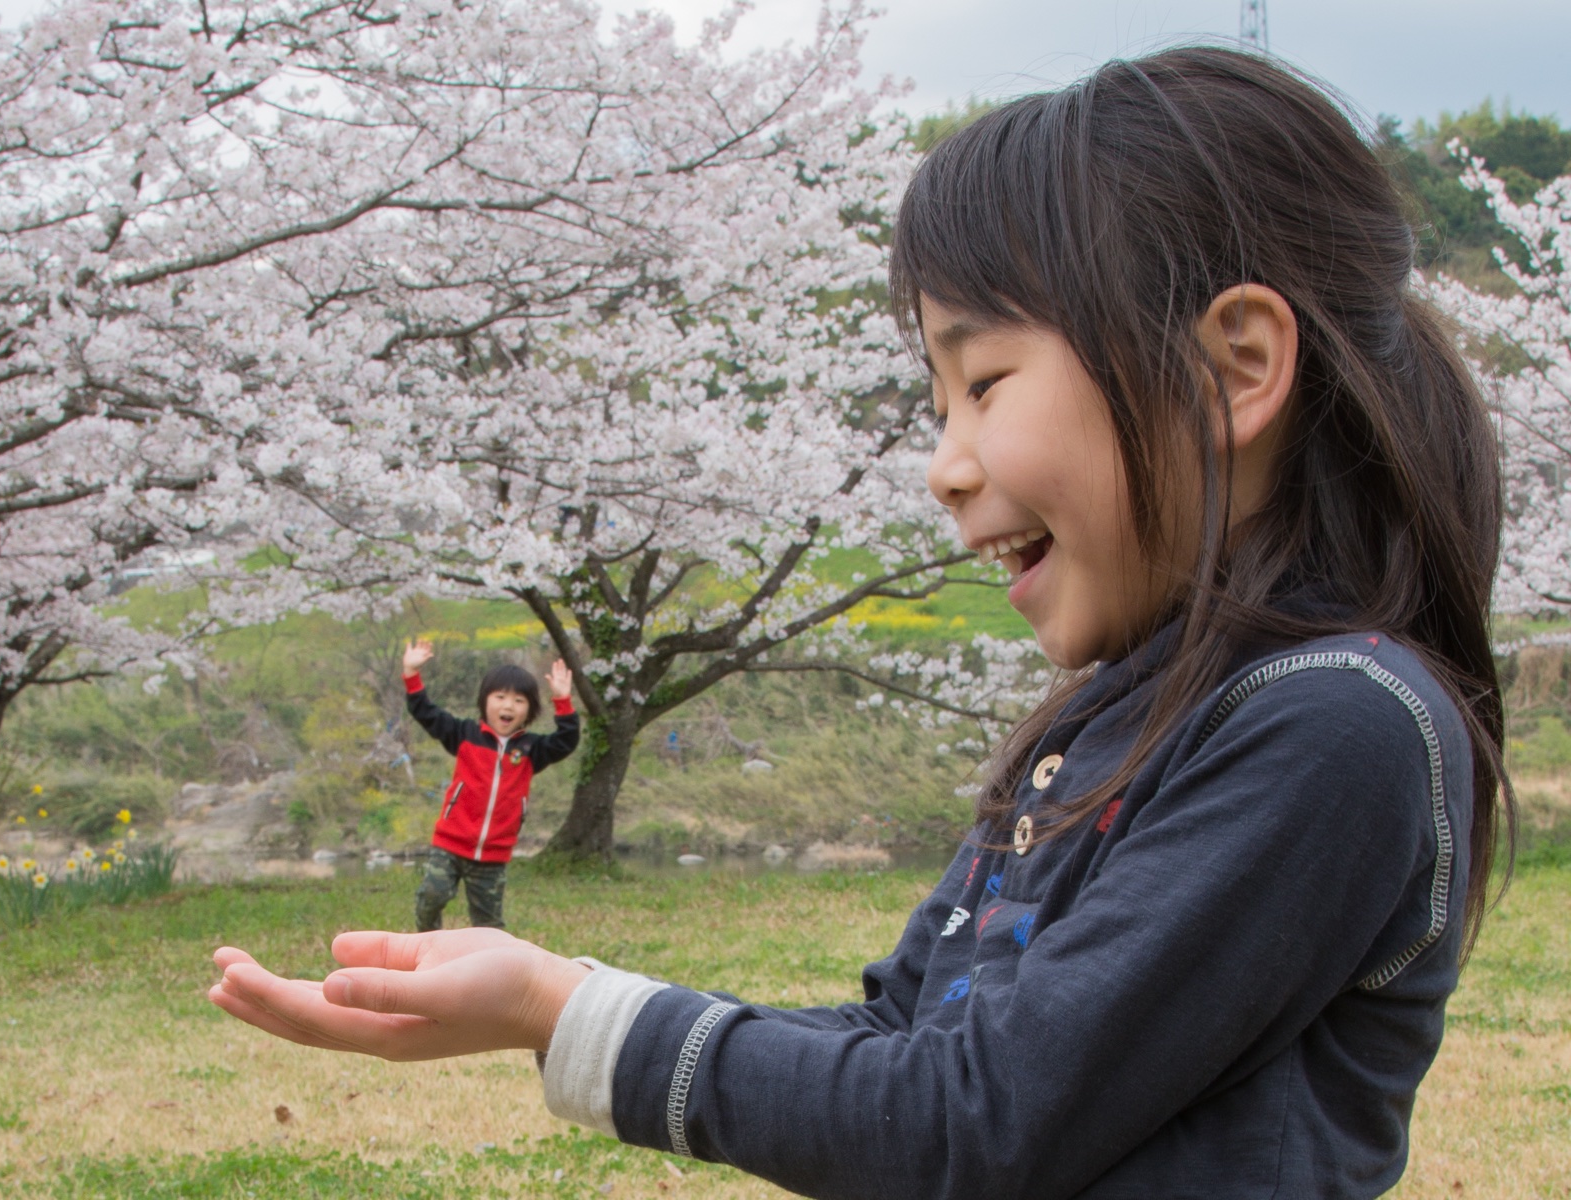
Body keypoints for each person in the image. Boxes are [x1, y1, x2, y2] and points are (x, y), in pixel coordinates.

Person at [208, 47, 1513, 1198]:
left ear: (1233, 369)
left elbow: (975, 1127)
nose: (946, 466)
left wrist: (571, 1010)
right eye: (937, 402)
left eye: (987, 380)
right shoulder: (1111, 719)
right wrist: (558, 1006)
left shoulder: (1338, 725)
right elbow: (905, 1045)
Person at [400, 639, 580, 931]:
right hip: (450, 844)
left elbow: (567, 740)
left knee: (489, 925)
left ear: (529, 711)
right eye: (500, 697)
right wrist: (411, 674)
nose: (508, 705)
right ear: (485, 701)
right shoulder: (465, 734)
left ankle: (489, 971)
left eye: (519, 701)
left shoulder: (531, 750)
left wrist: (562, 700)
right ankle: (426, 946)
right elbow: (426, 713)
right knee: (432, 895)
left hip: (494, 855)